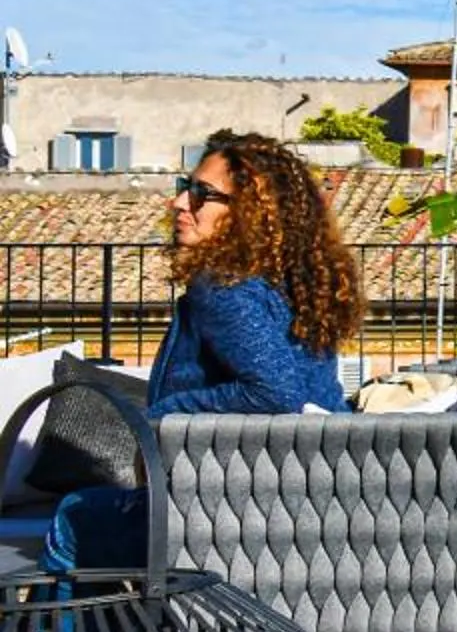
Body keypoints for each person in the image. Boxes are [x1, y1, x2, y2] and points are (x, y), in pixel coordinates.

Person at [41, 133, 360, 573]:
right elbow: (315, 395)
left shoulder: (224, 288)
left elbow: (276, 393)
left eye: (201, 194)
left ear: (249, 214)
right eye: (184, 187)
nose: (179, 204)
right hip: (302, 509)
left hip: (222, 516)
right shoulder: (300, 292)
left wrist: (163, 415)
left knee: (73, 516)